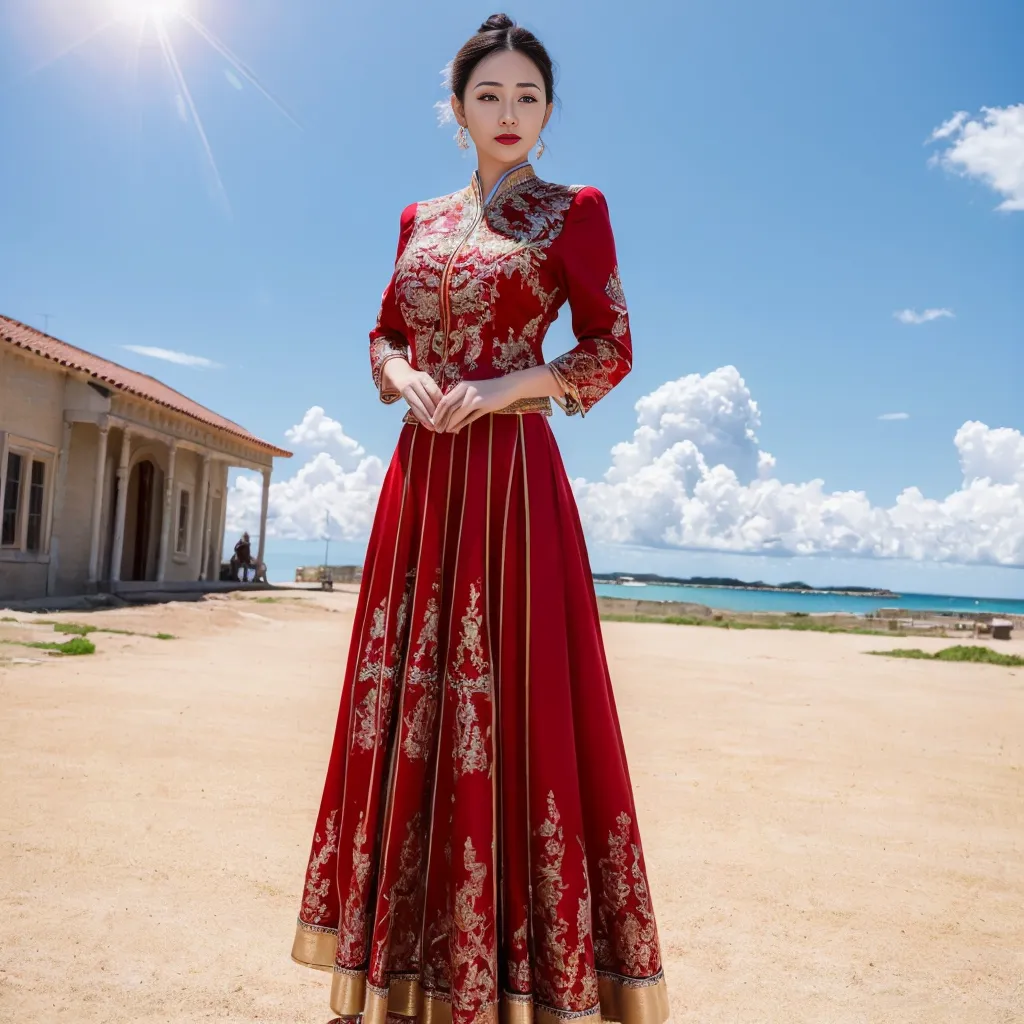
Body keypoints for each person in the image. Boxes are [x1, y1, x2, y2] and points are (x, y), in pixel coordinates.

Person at [291, 15, 669, 1024]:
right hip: (421, 484)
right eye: (489, 96)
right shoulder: (418, 218)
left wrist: (506, 389)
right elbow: (380, 330)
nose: (509, 114)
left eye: (528, 98)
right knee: (409, 706)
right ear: (456, 109)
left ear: (548, 112)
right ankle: (402, 972)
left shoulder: (574, 209)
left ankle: (518, 985)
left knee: (516, 709)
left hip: (509, 486)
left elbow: (610, 346)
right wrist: (407, 375)